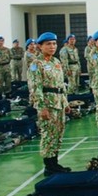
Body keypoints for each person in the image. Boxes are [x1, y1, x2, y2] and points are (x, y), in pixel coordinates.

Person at [29, 32, 71, 176]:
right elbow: (35, 87)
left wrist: (65, 103)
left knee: (58, 133)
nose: (52, 46)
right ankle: (49, 166)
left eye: (54, 43)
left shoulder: (56, 62)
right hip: (47, 103)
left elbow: (61, 85)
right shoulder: (36, 64)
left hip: (58, 102)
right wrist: (41, 107)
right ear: (40, 46)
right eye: (48, 44)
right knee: (48, 134)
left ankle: (54, 162)